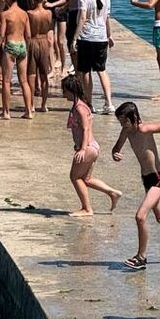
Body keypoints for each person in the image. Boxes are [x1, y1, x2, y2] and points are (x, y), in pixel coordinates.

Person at [111, 101, 160, 269]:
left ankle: (141, 257)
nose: (123, 125)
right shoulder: (126, 131)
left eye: (125, 121)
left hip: (158, 179)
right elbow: (116, 148)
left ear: (134, 117)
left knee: (140, 216)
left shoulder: (144, 129)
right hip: (147, 179)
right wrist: (116, 154)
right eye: (120, 122)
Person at [62, 74, 121, 217]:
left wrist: (82, 149)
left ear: (71, 91)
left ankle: (87, 209)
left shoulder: (80, 108)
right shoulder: (82, 104)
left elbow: (85, 129)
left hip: (88, 147)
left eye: (64, 90)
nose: (63, 94)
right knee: (86, 179)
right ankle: (112, 193)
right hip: (92, 147)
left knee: (75, 177)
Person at [75, 0, 115, 113]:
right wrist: (109, 35)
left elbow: (82, 17)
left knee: (85, 71)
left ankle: (89, 102)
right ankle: (109, 103)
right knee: (102, 70)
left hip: (87, 37)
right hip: (101, 36)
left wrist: (75, 37)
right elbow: (107, 16)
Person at [0, 0, 34, 119]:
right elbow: (28, 35)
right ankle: (28, 111)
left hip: (10, 45)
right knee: (24, 81)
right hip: (22, 45)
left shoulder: (5, 14)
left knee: (6, 81)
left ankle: (6, 112)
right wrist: (27, 48)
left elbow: (1, 35)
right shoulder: (24, 14)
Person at [26, 0, 54, 113]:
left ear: (32, 0)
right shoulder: (49, 13)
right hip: (44, 42)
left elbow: (27, 32)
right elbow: (50, 28)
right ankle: (44, 104)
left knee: (31, 75)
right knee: (44, 75)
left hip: (33, 41)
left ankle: (31, 104)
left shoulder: (30, 14)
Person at [43, 0, 68, 75]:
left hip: (61, 11)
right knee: (49, 40)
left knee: (60, 41)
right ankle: (52, 68)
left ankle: (63, 67)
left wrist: (53, 4)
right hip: (50, 12)